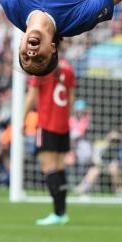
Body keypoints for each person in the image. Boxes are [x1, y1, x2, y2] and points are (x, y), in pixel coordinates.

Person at [24, 56, 75, 226]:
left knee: (49, 168)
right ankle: (62, 213)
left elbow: (32, 96)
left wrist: (21, 119)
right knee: (59, 168)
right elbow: (71, 99)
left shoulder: (42, 67)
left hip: (47, 124)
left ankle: (57, 213)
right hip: (63, 125)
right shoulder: (68, 68)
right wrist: (66, 120)